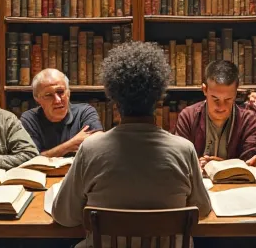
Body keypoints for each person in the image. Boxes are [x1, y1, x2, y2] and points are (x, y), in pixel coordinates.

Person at [52, 41, 211, 245]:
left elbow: (64, 216)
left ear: (115, 101)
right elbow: (202, 209)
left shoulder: (91, 149)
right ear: (158, 100)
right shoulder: (183, 149)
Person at [174, 59, 256, 170]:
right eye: (215, 99)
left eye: (228, 99)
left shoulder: (248, 120)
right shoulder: (188, 117)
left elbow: (251, 160)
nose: (221, 107)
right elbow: (180, 159)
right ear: (205, 90)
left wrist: (222, 166)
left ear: (236, 93)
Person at [19, 68, 103, 156]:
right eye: (48, 95)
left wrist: (48, 154)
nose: (57, 100)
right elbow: (31, 159)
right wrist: (71, 144)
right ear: (37, 99)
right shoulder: (29, 119)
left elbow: (97, 144)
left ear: (68, 92)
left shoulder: (85, 112)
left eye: (60, 92)